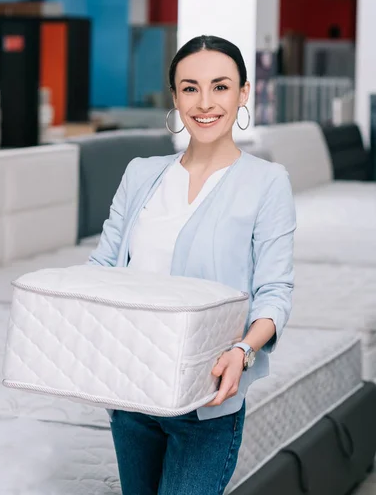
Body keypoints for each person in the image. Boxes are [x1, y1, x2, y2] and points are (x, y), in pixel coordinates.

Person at [88, 35, 296, 495]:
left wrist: (243, 351)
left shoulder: (267, 182)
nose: (205, 103)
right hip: (131, 389)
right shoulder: (141, 172)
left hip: (208, 398)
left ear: (243, 93)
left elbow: (275, 292)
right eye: (190, 88)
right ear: (175, 96)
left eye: (220, 87)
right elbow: (101, 267)